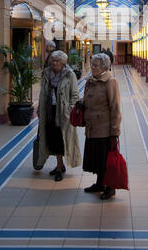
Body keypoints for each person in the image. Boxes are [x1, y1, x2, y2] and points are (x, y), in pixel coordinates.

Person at [36, 50, 82, 181]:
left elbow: (75, 95)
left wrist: (69, 109)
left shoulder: (69, 74)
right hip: (49, 110)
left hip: (63, 112)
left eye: (58, 61)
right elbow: (42, 93)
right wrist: (40, 108)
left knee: (62, 139)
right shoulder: (46, 73)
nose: (55, 63)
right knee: (52, 137)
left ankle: (60, 167)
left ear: (63, 63)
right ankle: (59, 165)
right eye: (53, 60)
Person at [82, 53, 122, 200]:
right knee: (97, 159)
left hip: (104, 130)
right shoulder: (92, 81)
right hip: (92, 127)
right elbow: (87, 99)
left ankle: (110, 188)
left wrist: (115, 130)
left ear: (104, 67)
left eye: (96, 65)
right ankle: (99, 183)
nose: (92, 67)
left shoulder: (110, 82)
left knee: (106, 160)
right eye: (92, 64)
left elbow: (115, 107)